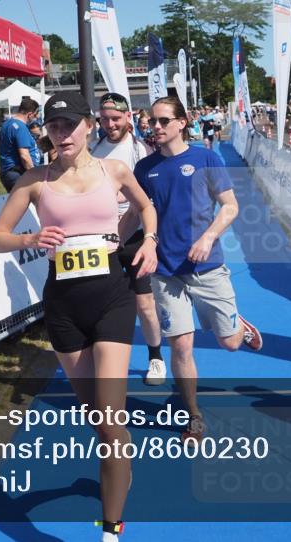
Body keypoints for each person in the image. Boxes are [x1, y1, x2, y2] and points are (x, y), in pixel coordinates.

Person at [0, 92, 157, 542]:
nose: (62, 134)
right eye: (54, 126)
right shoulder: (34, 180)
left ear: (88, 126)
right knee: (97, 419)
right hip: (63, 307)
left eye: (70, 125)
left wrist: (150, 241)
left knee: (111, 418)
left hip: (112, 299)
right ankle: (119, 458)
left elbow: (146, 206)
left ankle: (110, 529)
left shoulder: (113, 170)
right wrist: (29, 239)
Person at [134, 96, 263, 444]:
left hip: (207, 267)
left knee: (230, 344)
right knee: (181, 347)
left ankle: (239, 326)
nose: (155, 127)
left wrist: (208, 237)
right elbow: (137, 213)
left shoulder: (206, 158)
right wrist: (111, 242)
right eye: (152, 121)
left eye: (163, 121)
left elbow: (230, 206)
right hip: (165, 271)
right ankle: (194, 416)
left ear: (182, 123)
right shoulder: (144, 169)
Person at [91, 92, 167, 387]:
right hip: (100, 239)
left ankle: (156, 357)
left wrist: (149, 238)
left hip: (133, 238)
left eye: (116, 118)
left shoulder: (142, 151)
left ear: (128, 117)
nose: (110, 124)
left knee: (145, 304)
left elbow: (147, 200)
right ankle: (104, 360)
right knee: (101, 304)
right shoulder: (93, 149)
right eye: (105, 118)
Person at [0, 96, 40, 192]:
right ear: (30, 114)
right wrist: (34, 175)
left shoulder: (7, 123)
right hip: (17, 172)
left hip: (10, 172)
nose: (36, 117)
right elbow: (24, 156)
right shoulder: (20, 127)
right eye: (35, 114)